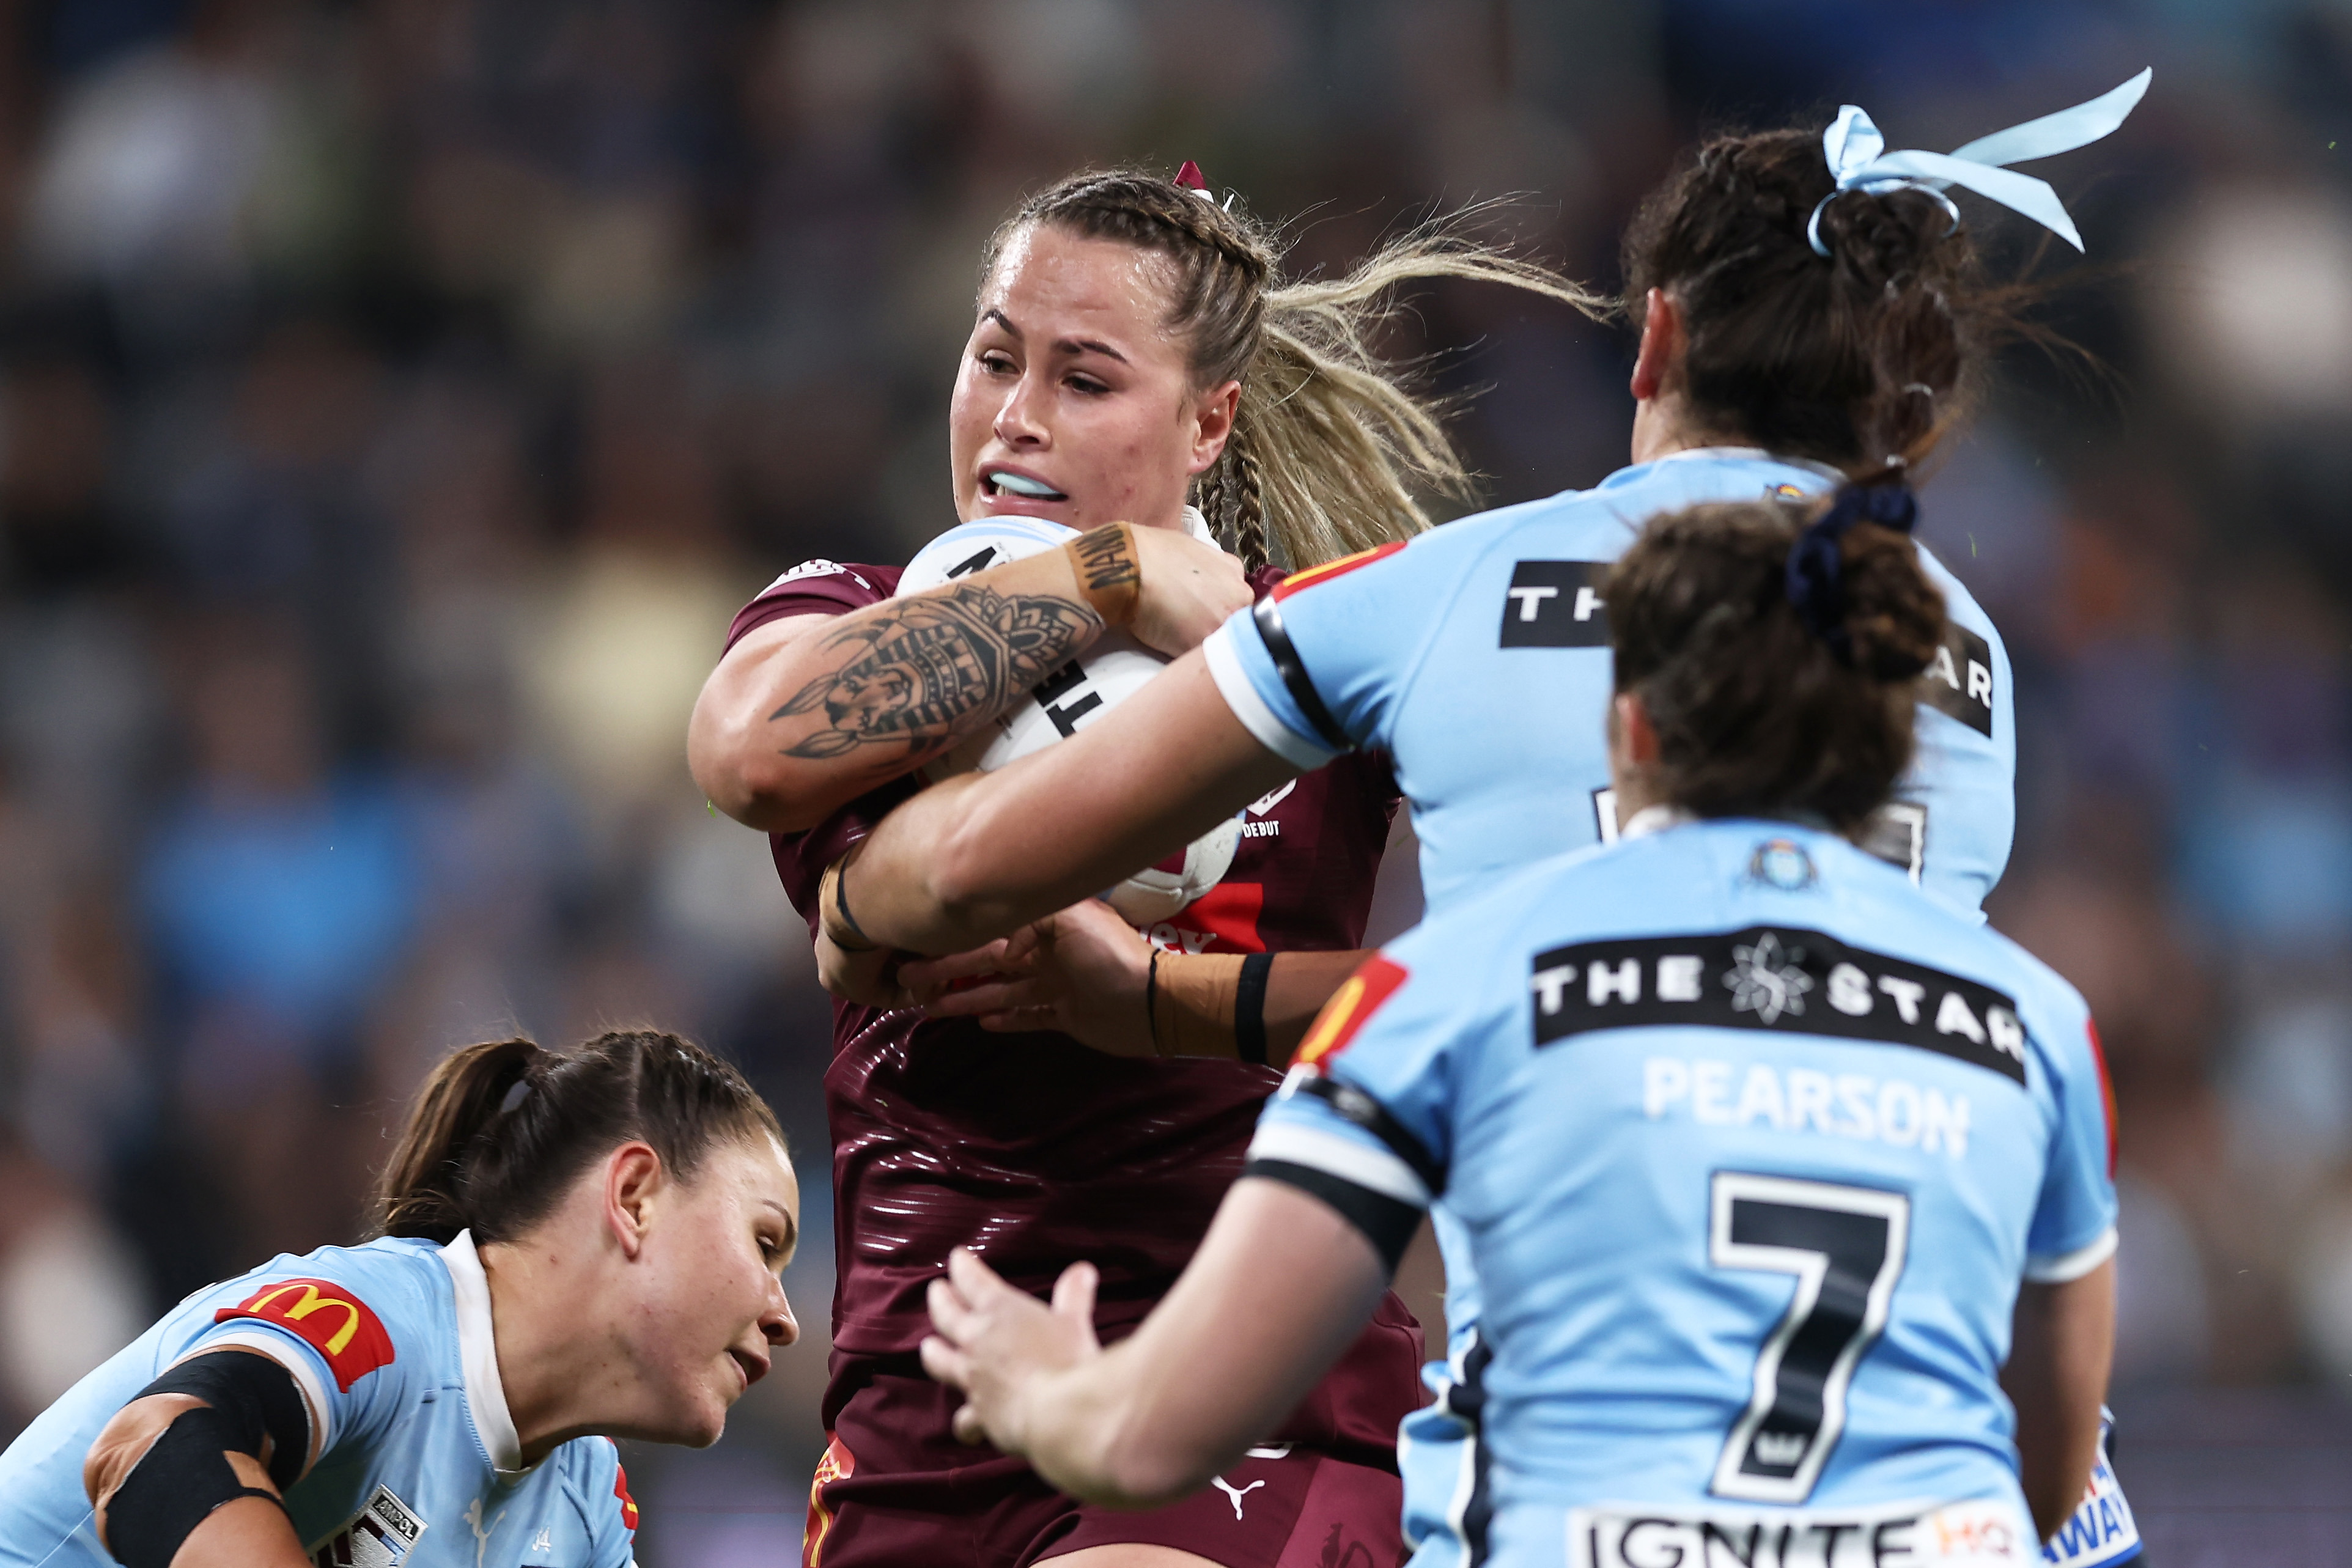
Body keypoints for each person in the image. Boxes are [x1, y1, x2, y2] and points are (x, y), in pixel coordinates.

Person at [817, 75, 2150, 1568]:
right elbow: (2044, 1464)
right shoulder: (1975, 704)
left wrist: (902, 917)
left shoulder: (1453, 905)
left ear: (1651, 338)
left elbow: (974, 874)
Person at [921, 490, 2119, 1568]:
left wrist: (1041, 1388)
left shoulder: (1455, 981)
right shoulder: (2041, 1023)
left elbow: (1151, 1439)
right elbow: (2049, 1476)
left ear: (1634, 727)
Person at [688, 166, 1603, 1568]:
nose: (1014, 415)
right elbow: (747, 747)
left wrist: (1167, 997)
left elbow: (1525, 987)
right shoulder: (859, 623)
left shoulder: (1326, 657)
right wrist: (1106, 571)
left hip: (1244, 1380)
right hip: (921, 1401)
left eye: (1083, 378)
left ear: (1209, 420)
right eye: (994, 356)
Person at [0, 1030, 800, 1568]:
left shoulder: (586, 1502)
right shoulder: (374, 1318)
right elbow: (151, 1450)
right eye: (765, 1242)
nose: (785, 1314)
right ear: (633, 1197)